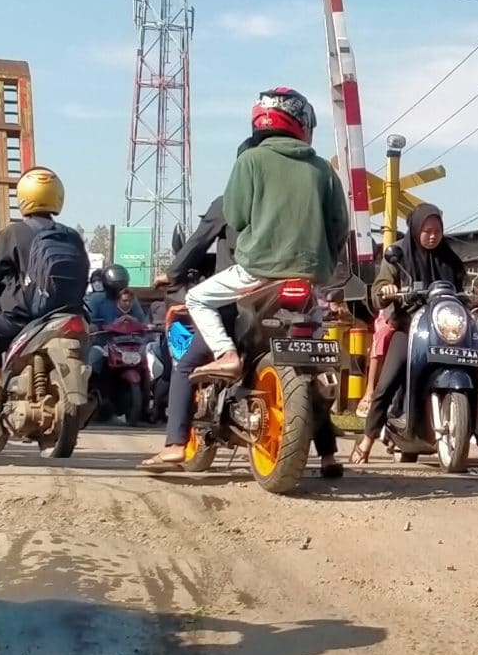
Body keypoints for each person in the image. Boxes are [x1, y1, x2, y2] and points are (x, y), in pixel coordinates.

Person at [140, 196, 344, 477]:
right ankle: (328, 455)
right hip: (299, 289)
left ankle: (176, 443)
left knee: (187, 363)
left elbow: (198, 242)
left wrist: (173, 273)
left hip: (240, 296)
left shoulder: (231, 201)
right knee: (308, 362)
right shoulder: (293, 201)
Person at [188, 88, 351, 385]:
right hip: (310, 273)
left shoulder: (249, 160)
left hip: (257, 271)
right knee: (315, 319)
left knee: (197, 298)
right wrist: (323, 260)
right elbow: (340, 225)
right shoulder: (324, 169)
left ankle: (226, 354)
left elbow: (236, 217)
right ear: (301, 123)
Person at [357, 202, 478, 466]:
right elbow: (379, 287)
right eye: (427, 231)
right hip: (411, 326)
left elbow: (461, 290)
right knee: (387, 381)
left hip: (446, 327)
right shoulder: (400, 255)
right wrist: (388, 289)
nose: (433, 235)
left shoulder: (450, 259)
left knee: (473, 375)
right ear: (415, 230)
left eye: (437, 230)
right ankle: (366, 441)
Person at [0, 166, 87, 385]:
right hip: (69, 314)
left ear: (23, 197)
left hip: (25, 318)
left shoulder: (14, 233)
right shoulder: (72, 236)